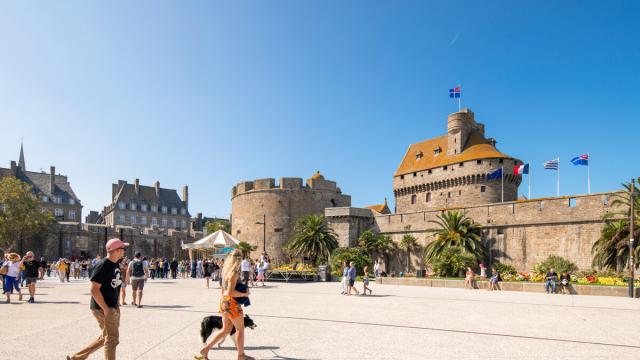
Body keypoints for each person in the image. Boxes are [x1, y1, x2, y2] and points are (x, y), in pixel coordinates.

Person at [67, 238, 128, 360]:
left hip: (112, 306)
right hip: (103, 307)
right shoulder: (102, 265)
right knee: (112, 339)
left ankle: (77, 358)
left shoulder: (115, 263)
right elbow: (94, 289)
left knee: (106, 337)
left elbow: (114, 285)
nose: (124, 251)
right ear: (115, 250)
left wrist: (116, 305)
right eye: (123, 248)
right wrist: (106, 309)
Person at [198, 249, 254, 360]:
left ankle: (206, 349)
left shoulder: (225, 271)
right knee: (240, 329)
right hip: (232, 304)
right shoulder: (233, 273)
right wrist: (245, 294)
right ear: (239, 260)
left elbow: (223, 290)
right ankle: (241, 355)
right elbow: (230, 292)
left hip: (224, 302)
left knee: (226, 329)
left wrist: (222, 305)